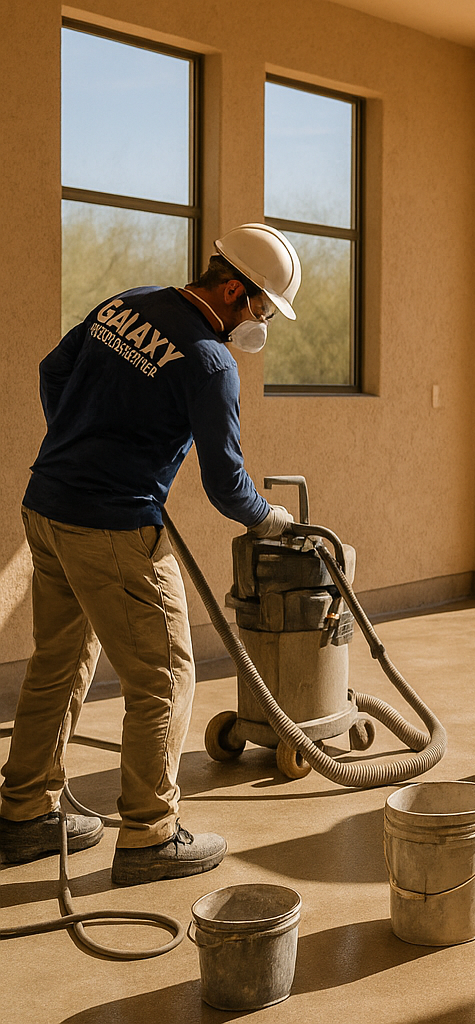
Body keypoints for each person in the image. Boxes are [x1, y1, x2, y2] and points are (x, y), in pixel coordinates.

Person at [0, 224, 302, 883]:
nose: (259, 323)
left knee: (59, 661)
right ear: (231, 289)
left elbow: (54, 371)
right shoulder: (210, 361)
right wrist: (267, 519)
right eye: (260, 308)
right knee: (164, 676)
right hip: (113, 530)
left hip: (47, 507)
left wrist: (86, 446)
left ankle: (22, 815)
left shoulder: (127, 302)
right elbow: (226, 485)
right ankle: (149, 836)